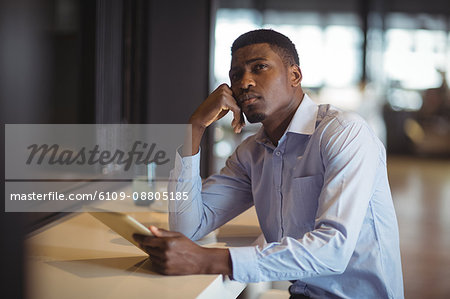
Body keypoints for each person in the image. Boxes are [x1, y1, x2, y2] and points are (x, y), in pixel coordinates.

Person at [133, 29, 404, 298]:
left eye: (259, 67)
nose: (244, 83)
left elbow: (333, 251)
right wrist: (194, 127)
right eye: (236, 75)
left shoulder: (344, 132)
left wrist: (208, 259)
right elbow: (187, 228)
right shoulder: (252, 154)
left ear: (295, 76)